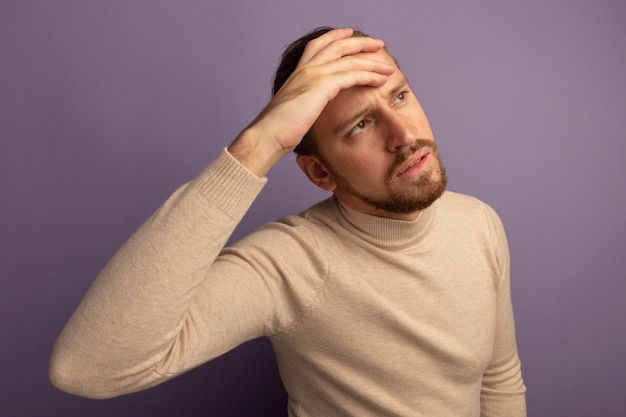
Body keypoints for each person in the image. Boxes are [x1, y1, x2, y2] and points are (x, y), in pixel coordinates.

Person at [49, 26, 527, 416]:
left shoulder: (479, 224)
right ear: (320, 172)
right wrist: (260, 144)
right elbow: (85, 367)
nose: (404, 135)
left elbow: (499, 380)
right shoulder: (290, 263)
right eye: (360, 125)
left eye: (400, 97)